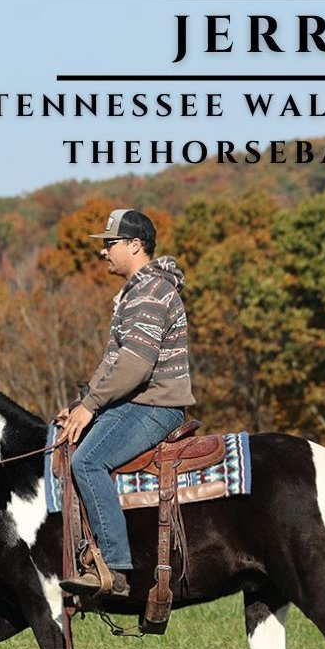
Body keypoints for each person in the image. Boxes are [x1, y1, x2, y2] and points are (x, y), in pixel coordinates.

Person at [56, 208, 195, 598]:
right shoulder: (135, 293)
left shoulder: (151, 292)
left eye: (110, 243)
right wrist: (82, 403)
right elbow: (112, 362)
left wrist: (91, 406)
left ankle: (114, 569)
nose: (103, 252)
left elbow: (135, 364)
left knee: (88, 460)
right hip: (135, 403)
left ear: (135, 245)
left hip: (155, 406)